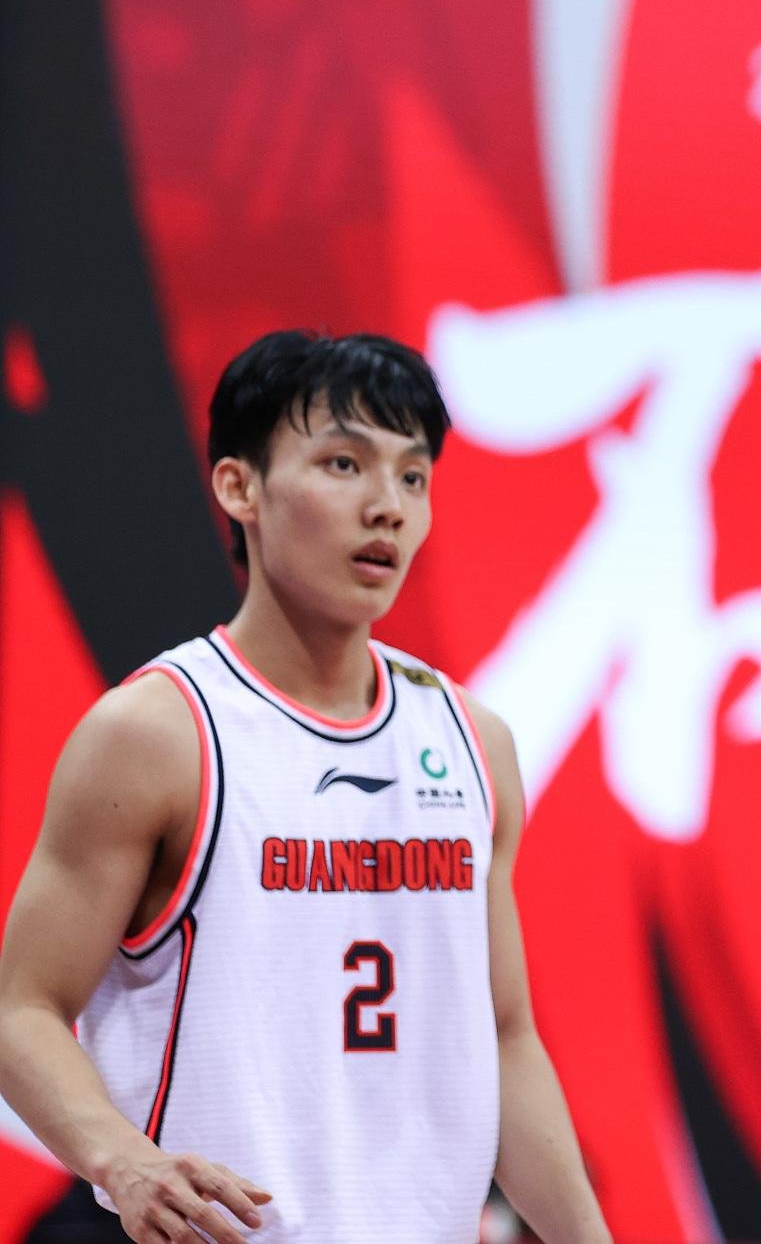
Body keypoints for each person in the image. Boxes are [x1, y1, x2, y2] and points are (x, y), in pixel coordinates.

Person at [0, 332, 609, 1244]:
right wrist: (120, 1160)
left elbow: (505, 1040)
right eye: (343, 464)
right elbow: (21, 1009)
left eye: (413, 476)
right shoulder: (156, 734)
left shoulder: (473, 742)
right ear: (239, 488)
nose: (388, 505)